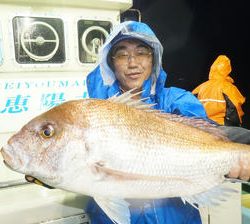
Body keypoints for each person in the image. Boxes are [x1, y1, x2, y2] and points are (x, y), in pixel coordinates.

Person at [86, 21, 250, 224]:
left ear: (153, 59)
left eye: (141, 52)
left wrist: (243, 148)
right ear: (110, 62)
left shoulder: (176, 100)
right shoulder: (95, 111)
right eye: (122, 54)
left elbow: (212, 136)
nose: (133, 62)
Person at [192, 55, 245, 127]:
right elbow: (235, 107)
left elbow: (190, 102)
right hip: (221, 124)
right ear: (227, 69)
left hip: (202, 123)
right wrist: (235, 124)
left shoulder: (201, 87)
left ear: (212, 69)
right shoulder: (228, 87)